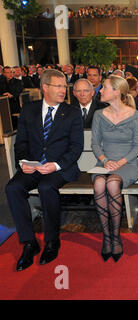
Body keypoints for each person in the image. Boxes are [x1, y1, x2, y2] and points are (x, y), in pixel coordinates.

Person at [5, 69, 84, 271]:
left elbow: (76, 147)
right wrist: (23, 162)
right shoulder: (29, 110)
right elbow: (20, 142)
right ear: (45, 87)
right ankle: (29, 242)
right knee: (13, 188)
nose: (63, 90)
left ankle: (52, 241)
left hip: (60, 168)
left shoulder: (72, 112)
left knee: (47, 188)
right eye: (58, 86)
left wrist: (56, 165)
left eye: (64, 86)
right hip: (33, 166)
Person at [91, 75, 138, 262]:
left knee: (113, 184)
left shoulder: (134, 115)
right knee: (99, 184)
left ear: (116, 92)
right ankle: (107, 238)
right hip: (104, 163)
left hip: (127, 165)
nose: (100, 91)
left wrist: (119, 163)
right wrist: (105, 160)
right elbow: (95, 144)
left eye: (104, 87)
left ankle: (116, 236)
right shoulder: (99, 115)